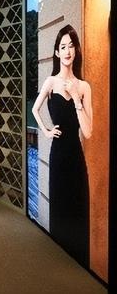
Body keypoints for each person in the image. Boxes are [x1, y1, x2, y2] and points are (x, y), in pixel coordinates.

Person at [31, 24, 92, 265]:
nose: (67, 51)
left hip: (76, 157)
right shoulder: (50, 82)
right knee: (59, 206)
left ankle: (78, 262)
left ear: (76, 50)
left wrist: (76, 98)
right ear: (57, 52)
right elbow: (35, 109)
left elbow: (88, 132)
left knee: (77, 206)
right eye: (63, 46)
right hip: (58, 157)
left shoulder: (84, 87)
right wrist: (46, 131)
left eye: (71, 46)